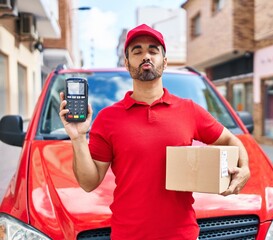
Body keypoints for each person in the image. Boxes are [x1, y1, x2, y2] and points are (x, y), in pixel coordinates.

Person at [59, 24, 250, 240]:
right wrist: (78, 137)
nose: (145, 56)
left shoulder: (189, 110)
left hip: (182, 235)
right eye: (137, 51)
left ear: (164, 61)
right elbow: (88, 183)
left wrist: (245, 169)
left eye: (153, 50)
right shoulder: (108, 119)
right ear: (127, 63)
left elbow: (229, 139)